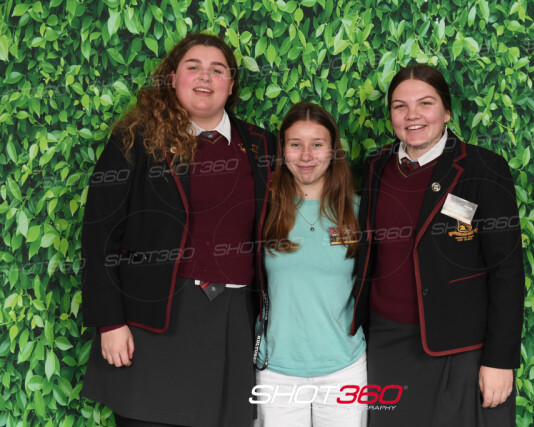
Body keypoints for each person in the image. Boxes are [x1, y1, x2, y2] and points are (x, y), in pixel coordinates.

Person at [80, 33, 276, 426]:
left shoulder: (261, 145)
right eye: (193, 67)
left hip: (233, 323)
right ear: (172, 78)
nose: (205, 77)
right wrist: (110, 322)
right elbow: (99, 232)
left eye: (217, 70)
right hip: (152, 323)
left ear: (231, 85)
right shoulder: (136, 139)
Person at [351, 64, 525, 426]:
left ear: (446, 112)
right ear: (390, 115)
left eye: (425, 103)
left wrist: (499, 360)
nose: (412, 115)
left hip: (461, 348)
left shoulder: (483, 168)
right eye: (400, 106)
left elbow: (507, 272)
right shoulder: (375, 167)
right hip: (387, 342)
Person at [253, 102, 367, 427]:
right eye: (295, 144)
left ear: (333, 151)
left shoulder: (358, 212)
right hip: (277, 370)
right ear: (283, 150)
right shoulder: (264, 211)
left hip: (345, 367)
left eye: (317, 144)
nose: (306, 156)